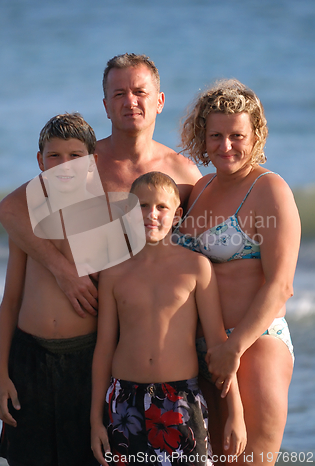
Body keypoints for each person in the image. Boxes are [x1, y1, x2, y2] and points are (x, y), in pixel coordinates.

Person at [0, 53, 201, 318]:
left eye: (140, 92)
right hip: (92, 321)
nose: (130, 102)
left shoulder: (183, 173)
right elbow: (9, 211)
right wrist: (62, 271)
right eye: (119, 94)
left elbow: (202, 246)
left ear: (159, 101)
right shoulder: (84, 162)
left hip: (149, 321)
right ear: (105, 106)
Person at [173, 79, 300, 465]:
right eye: (215, 135)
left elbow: (280, 286)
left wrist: (234, 348)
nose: (225, 146)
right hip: (203, 349)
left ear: (256, 134)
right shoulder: (200, 188)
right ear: (202, 136)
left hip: (254, 342)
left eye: (236, 135)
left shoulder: (270, 189)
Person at [90, 172, 247, 466]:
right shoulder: (113, 273)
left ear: (176, 216)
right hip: (124, 400)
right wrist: (95, 420)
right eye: (142, 206)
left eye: (161, 207)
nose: (151, 214)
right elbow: (104, 348)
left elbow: (217, 345)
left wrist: (235, 413)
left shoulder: (196, 268)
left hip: (181, 399)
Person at [0, 113, 101, 466]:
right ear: (40, 162)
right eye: (54, 156)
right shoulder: (27, 221)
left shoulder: (103, 218)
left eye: (75, 156)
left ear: (92, 163)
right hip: (29, 358)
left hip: (84, 359)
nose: (64, 165)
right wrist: (0, 374)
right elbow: (10, 301)